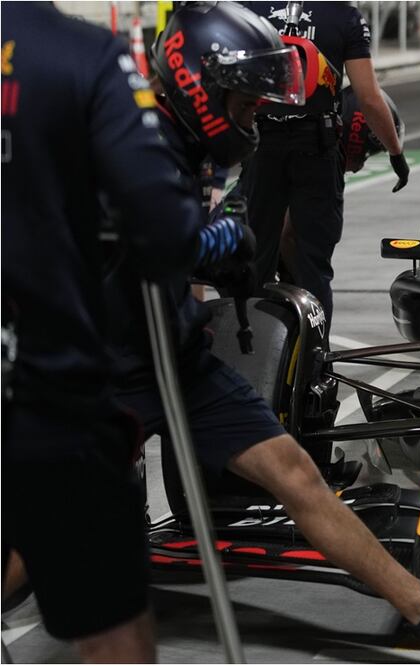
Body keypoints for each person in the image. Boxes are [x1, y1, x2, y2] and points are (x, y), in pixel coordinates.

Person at [107, 3, 420, 654]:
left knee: (294, 470)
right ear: (202, 84)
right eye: (248, 101)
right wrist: (214, 243)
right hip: (112, 360)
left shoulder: (187, 141)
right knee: (69, 519)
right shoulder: (132, 141)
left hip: (176, 353)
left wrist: (199, 291)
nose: (257, 114)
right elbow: (139, 245)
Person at [1, 2, 254, 661]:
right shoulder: (83, 54)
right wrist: (224, 236)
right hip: (42, 387)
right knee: (114, 631)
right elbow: (163, 232)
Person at [238, 0, 409, 329]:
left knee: (255, 259)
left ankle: (252, 352)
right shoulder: (342, 15)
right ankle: (316, 364)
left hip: (262, 145)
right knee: (314, 267)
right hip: (316, 147)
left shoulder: (249, 7)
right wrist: (395, 151)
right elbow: (368, 97)